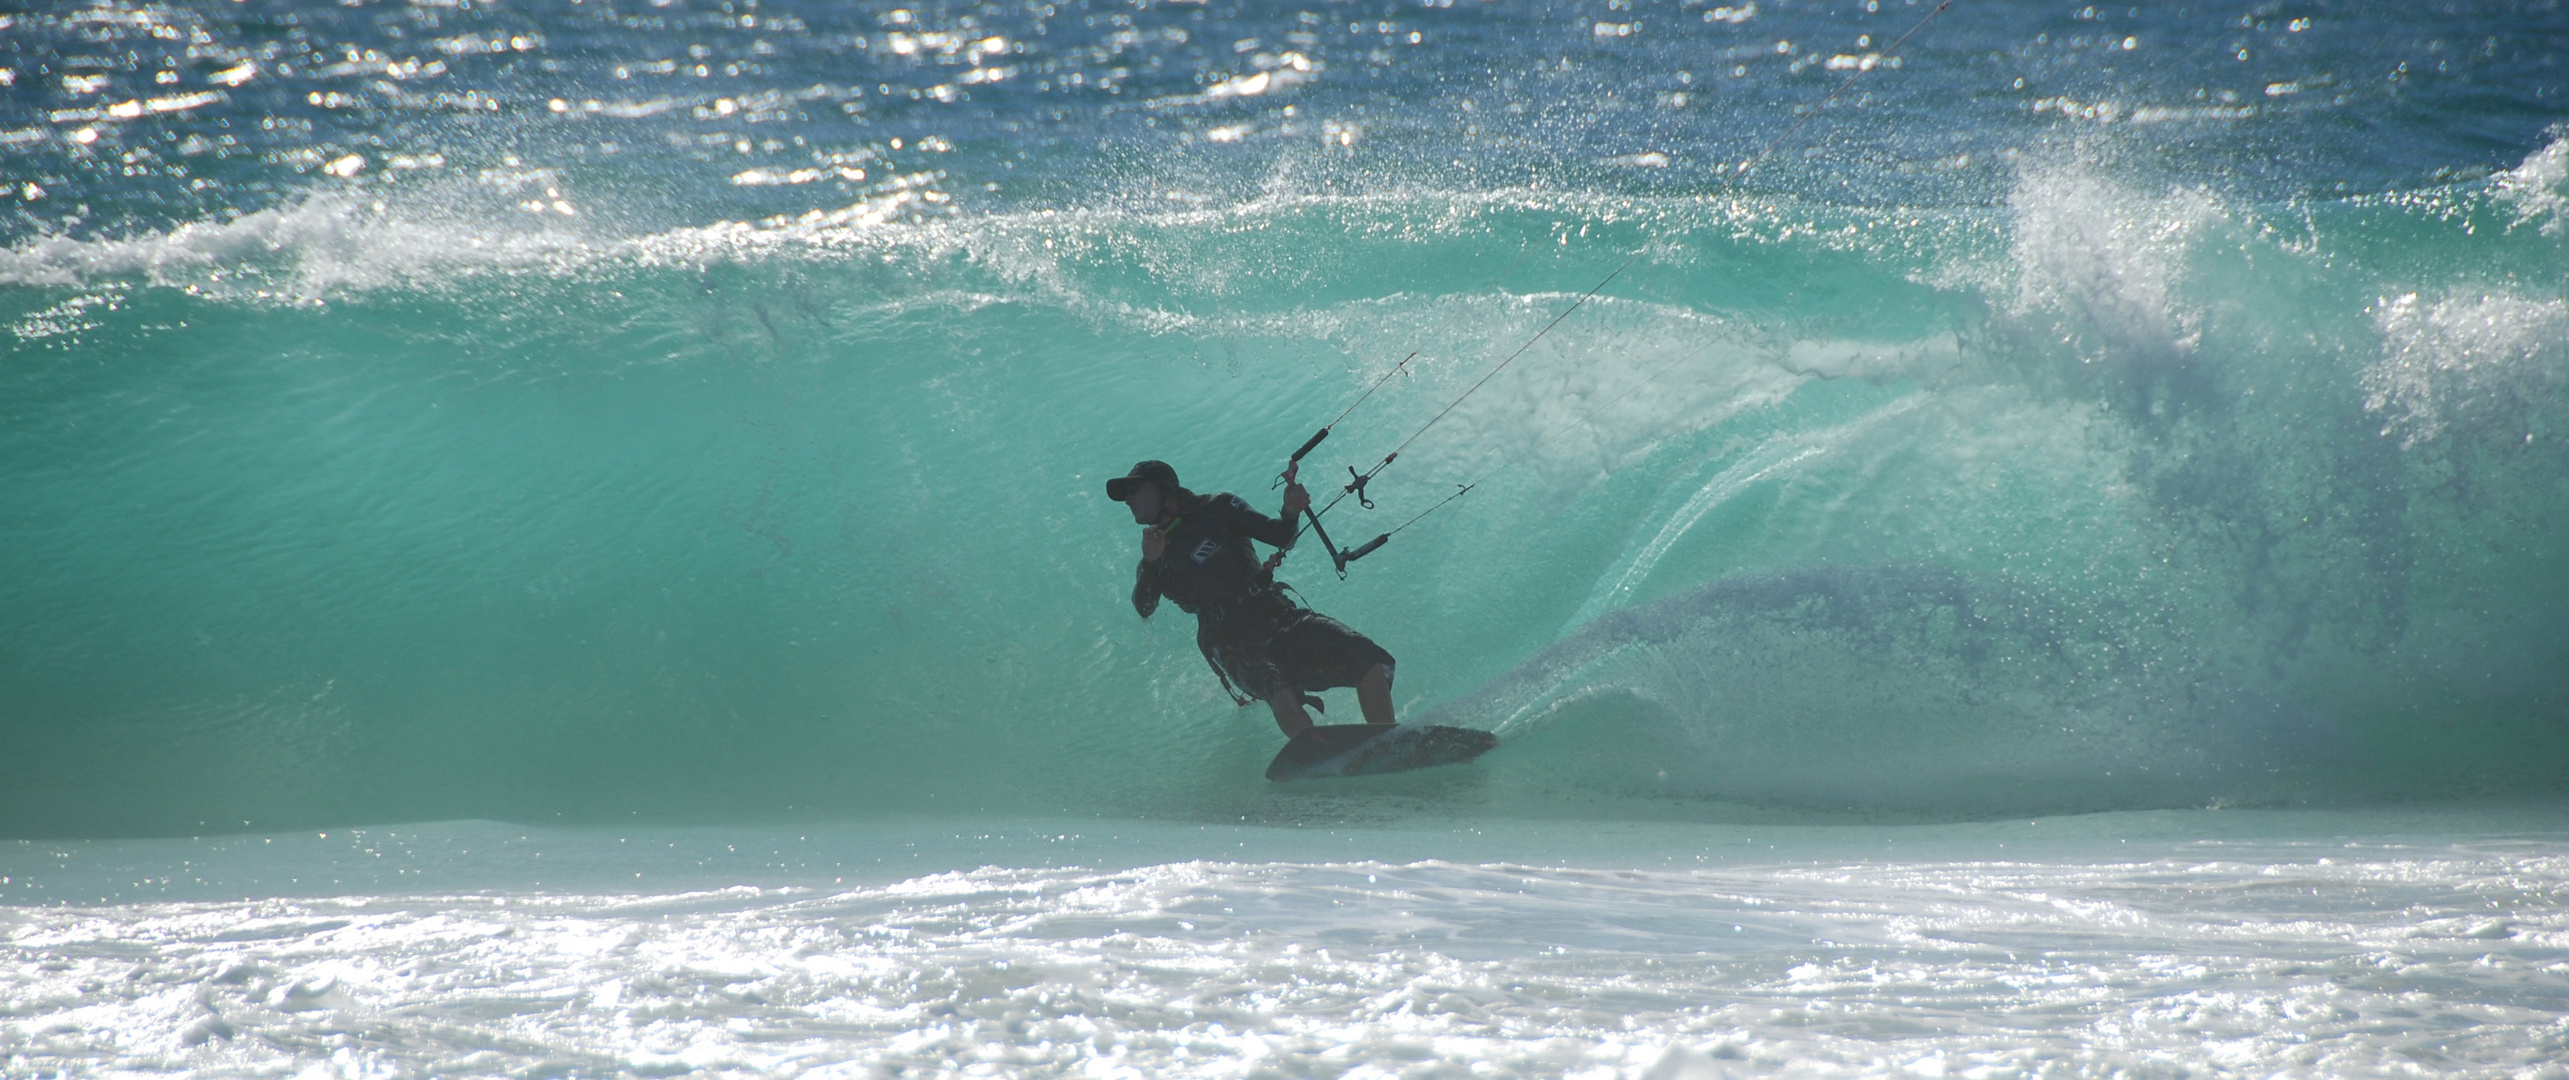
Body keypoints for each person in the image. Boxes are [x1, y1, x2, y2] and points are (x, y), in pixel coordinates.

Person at [1106, 459, 1398, 739]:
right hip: (1227, 638)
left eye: (1135, 490)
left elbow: (1280, 535)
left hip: (1277, 616)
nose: (1128, 499)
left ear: (1162, 488)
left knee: (1369, 658)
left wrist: (1290, 510)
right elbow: (1144, 608)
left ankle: (1387, 741)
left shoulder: (1218, 508)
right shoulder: (1155, 557)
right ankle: (1318, 755)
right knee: (1276, 686)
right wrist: (1153, 562)